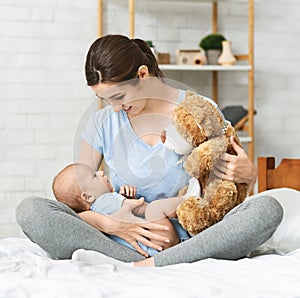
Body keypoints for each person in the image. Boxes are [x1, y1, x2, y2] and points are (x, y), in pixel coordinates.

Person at [16, 34, 283, 267]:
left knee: (267, 208)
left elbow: (229, 193)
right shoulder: (102, 123)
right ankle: (149, 262)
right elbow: (76, 200)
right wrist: (114, 225)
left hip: (194, 236)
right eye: (104, 99)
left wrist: (249, 174)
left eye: (118, 96)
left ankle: (162, 261)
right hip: (124, 242)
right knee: (31, 210)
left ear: (143, 74)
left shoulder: (196, 111)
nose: (114, 107)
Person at [52, 162, 200, 257]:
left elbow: (125, 213)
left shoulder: (98, 209)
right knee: (153, 209)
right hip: (160, 237)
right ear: (88, 196)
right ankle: (187, 201)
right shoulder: (104, 200)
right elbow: (140, 208)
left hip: (156, 247)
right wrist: (136, 201)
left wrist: (124, 197)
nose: (101, 173)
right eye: (94, 176)